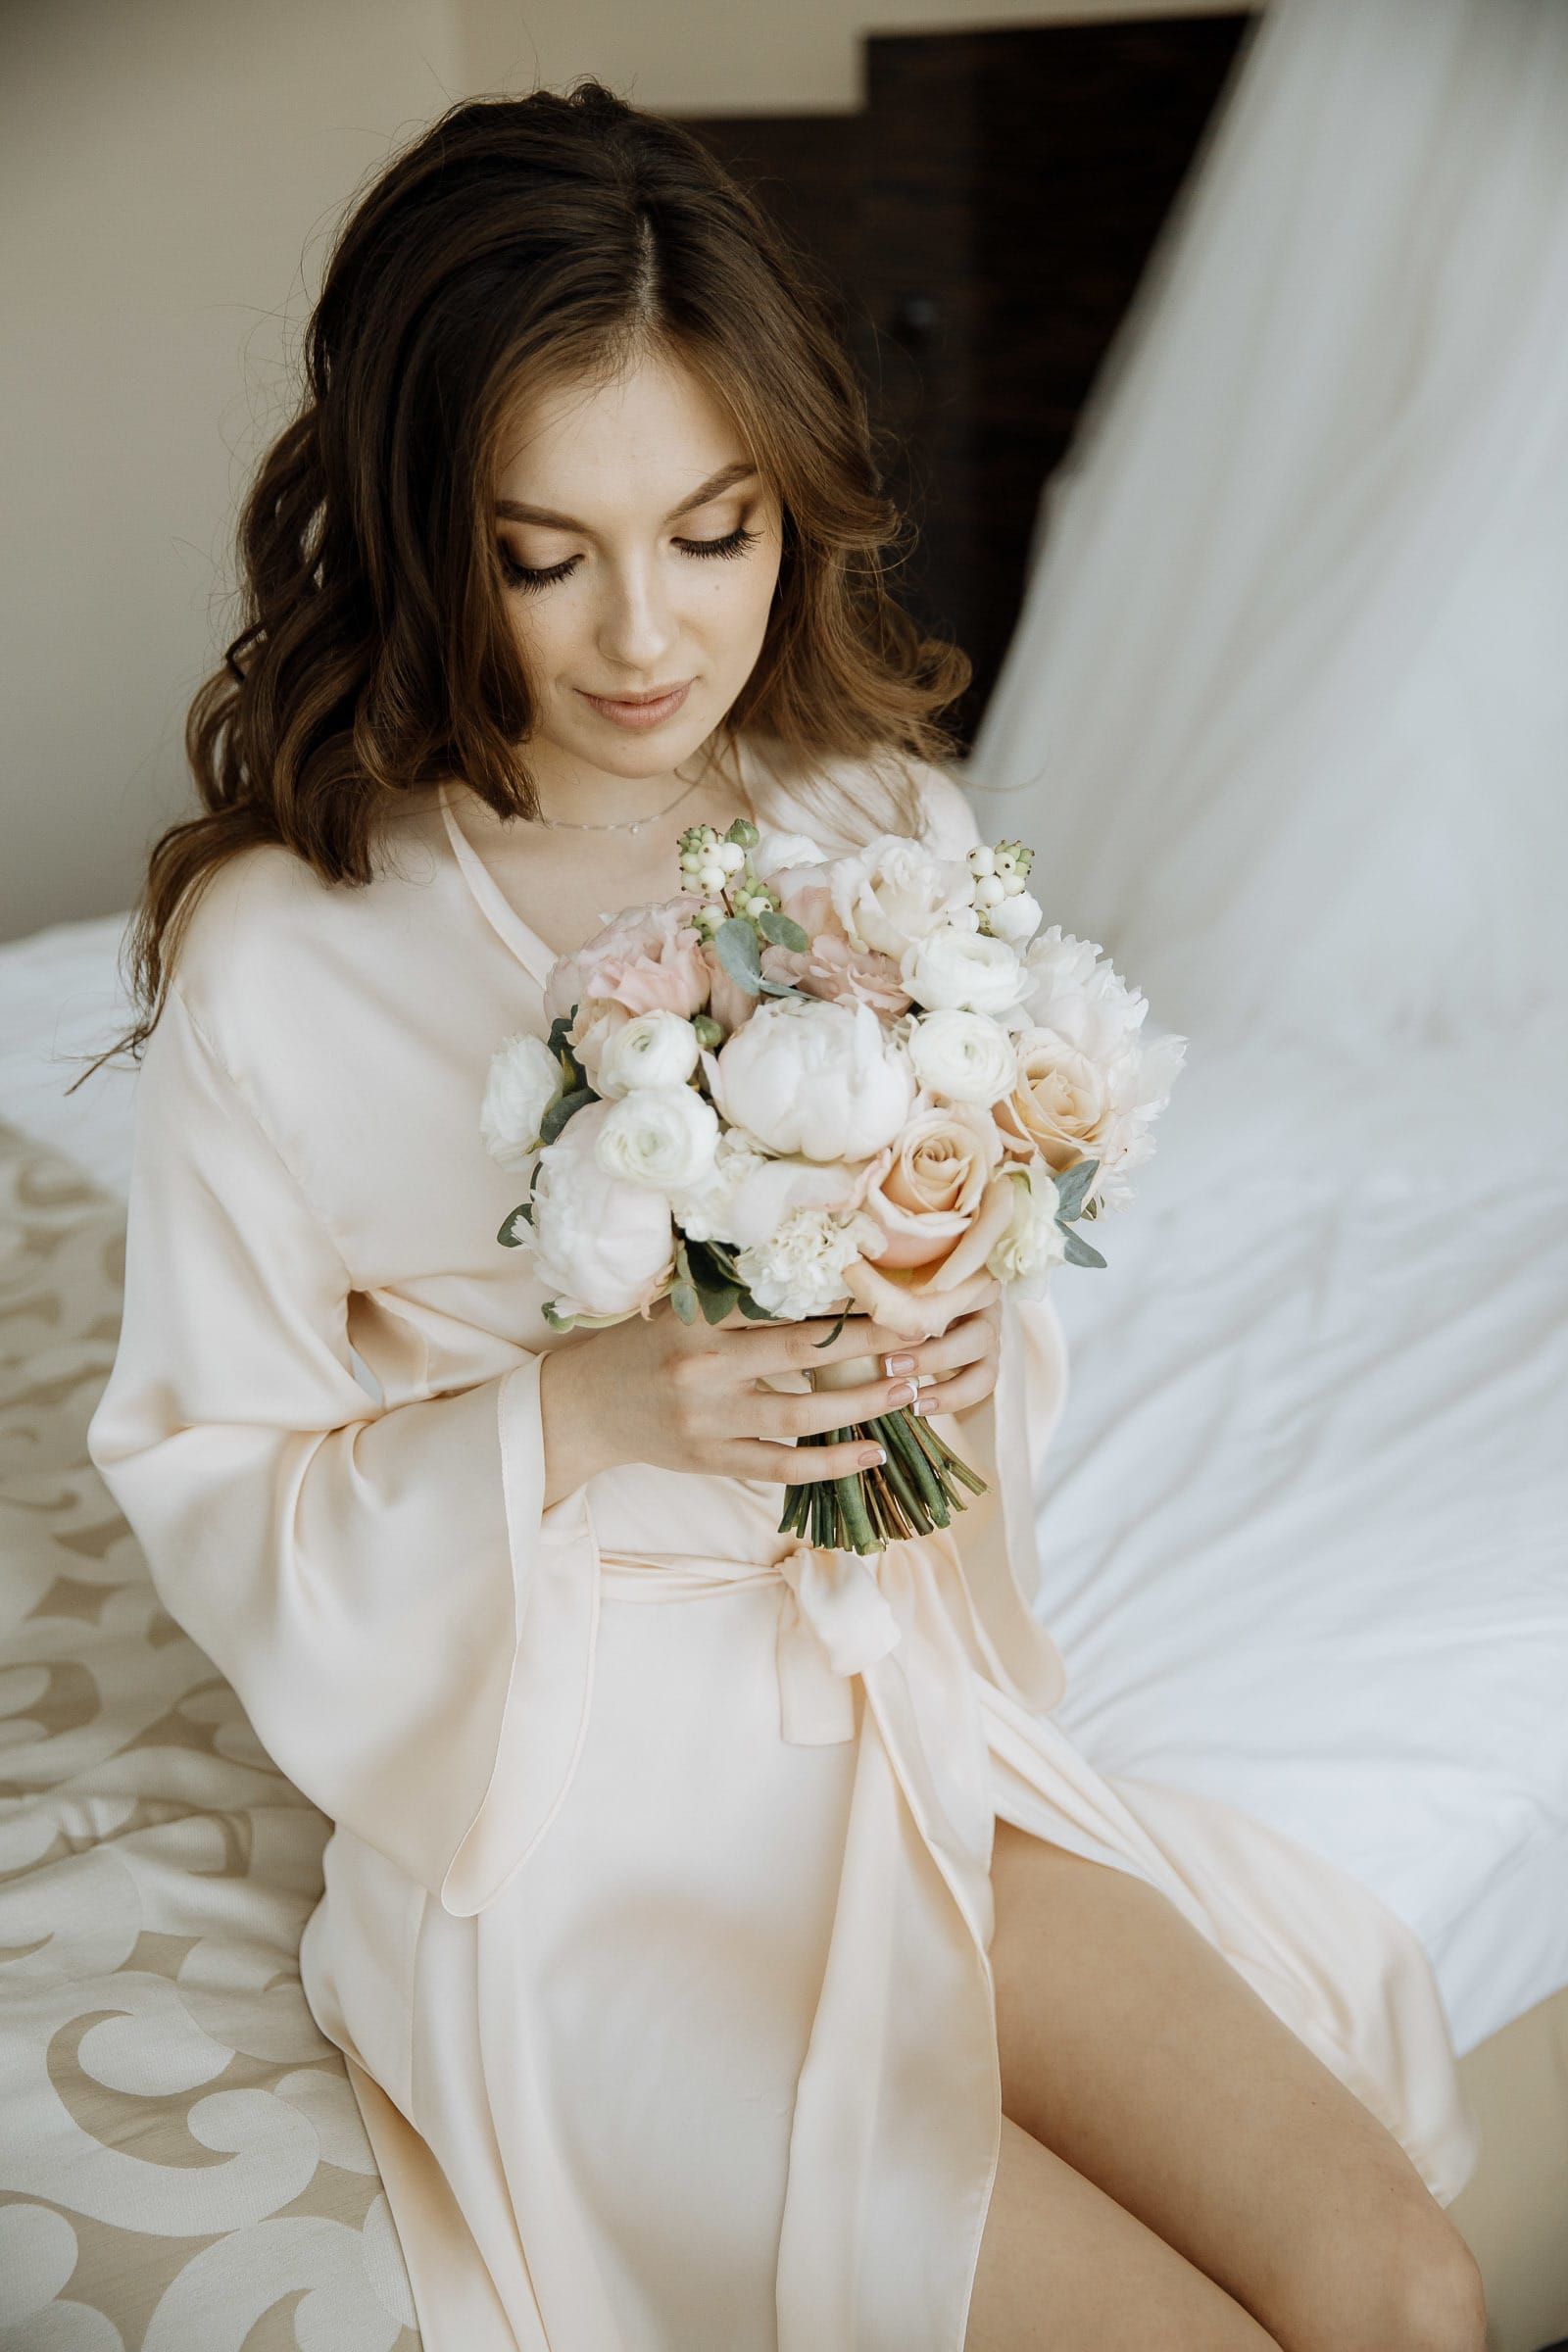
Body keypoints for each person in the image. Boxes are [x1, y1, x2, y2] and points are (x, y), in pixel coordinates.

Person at [80, 81, 1485, 2352]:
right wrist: (586, 1416)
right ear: (425, 533)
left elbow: (988, 1308)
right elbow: (218, 1483)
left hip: (892, 1729)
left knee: (1401, 2289)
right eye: (545, 555)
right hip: (572, 1829)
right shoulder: (283, 949)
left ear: (786, 508)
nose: (646, 634)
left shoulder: (866, 822)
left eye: (711, 531)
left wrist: (950, 1324)